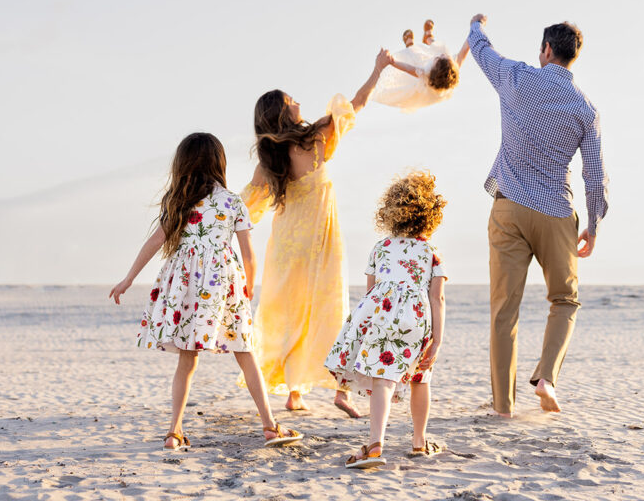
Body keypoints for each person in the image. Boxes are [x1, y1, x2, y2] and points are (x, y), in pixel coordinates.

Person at [109, 133, 303, 450]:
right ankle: (269, 426)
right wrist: (248, 286)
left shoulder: (179, 201)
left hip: (186, 286)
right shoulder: (232, 201)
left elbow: (155, 242)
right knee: (246, 354)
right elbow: (248, 253)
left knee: (187, 361)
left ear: (183, 165)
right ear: (219, 163)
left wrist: (129, 278)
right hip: (223, 285)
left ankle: (174, 431)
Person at [468, 13, 609, 416]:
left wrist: (476, 24)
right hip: (555, 213)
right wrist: (594, 226)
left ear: (547, 49)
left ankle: (502, 406)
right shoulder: (585, 108)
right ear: (573, 57)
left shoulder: (515, 78)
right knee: (564, 300)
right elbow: (595, 176)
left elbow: (482, 49)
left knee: (504, 310)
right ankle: (546, 379)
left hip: (509, 208)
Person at [242, 49, 394, 416]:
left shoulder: (269, 162)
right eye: (291, 101)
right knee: (328, 311)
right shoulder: (314, 139)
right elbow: (356, 103)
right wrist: (377, 68)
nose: (298, 103)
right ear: (282, 113)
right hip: (321, 242)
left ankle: (295, 393)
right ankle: (340, 389)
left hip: (285, 246)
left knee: (289, 314)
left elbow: (243, 207)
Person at [325, 172, 448, 469]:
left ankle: (377, 443)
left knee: (383, 380)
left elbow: (371, 292)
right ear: (429, 215)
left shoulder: (380, 248)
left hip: (382, 315)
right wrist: (437, 339)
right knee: (420, 378)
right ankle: (419, 442)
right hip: (416, 320)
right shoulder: (431, 252)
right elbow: (437, 299)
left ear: (391, 211)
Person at [372, 19, 470, 112]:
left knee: (415, 57)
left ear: (433, 68)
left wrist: (392, 62)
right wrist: (475, 30)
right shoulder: (453, 65)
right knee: (440, 49)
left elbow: (408, 68)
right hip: (442, 68)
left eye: (438, 58)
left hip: (428, 82)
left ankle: (410, 46)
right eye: (443, 57)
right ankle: (428, 38)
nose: (441, 55)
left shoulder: (426, 74)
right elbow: (465, 50)